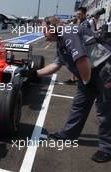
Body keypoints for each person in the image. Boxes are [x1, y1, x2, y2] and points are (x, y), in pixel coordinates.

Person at [36, 16, 111, 162]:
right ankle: (69, 134)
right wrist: (35, 73)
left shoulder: (68, 32)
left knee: (105, 110)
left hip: (105, 70)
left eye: (44, 30)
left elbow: (82, 59)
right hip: (88, 73)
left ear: (52, 27)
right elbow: (57, 65)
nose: (43, 34)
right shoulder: (60, 41)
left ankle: (106, 148)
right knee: (80, 104)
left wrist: (86, 81)